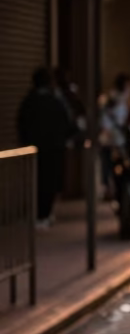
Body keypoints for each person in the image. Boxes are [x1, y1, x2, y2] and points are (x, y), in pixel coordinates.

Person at [16, 66, 73, 226]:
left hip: (35, 151)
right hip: (52, 150)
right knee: (48, 182)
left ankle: (39, 215)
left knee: (37, 182)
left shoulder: (29, 102)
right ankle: (44, 214)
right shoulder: (54, 102)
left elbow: (22, 125)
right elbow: (67, 123)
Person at [98, 73, 130, 198]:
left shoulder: (121, 99)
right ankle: (110, 189)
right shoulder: (112, 100)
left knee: (113, 164)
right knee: (109, 164)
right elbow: (106, 120)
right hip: (112, 138)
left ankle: (116, 189)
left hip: (115, 138)